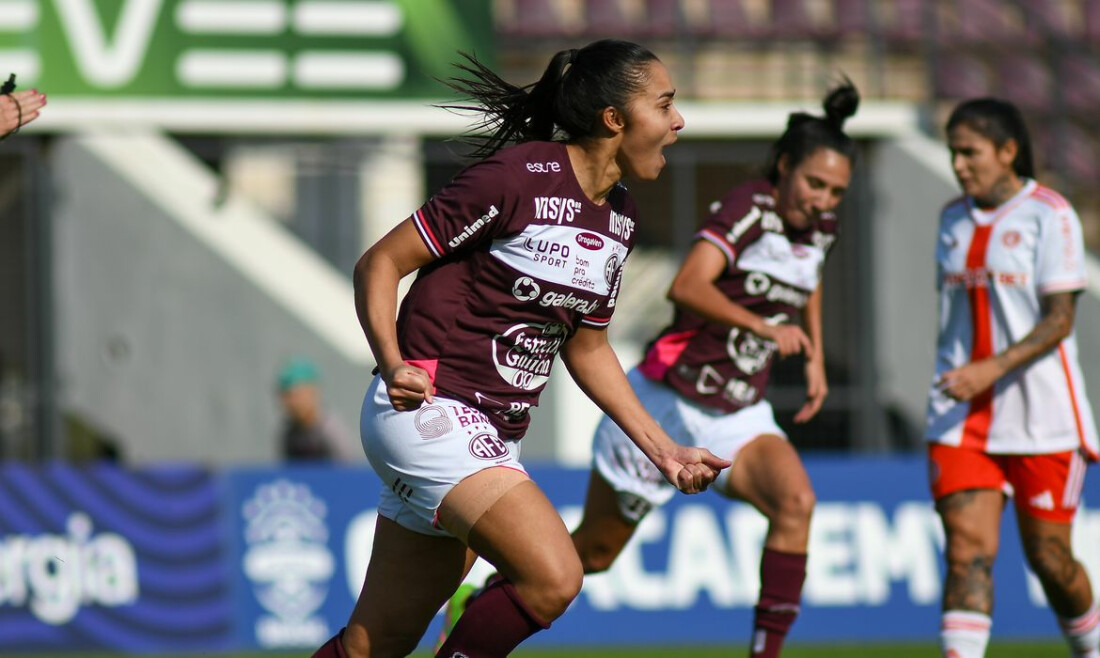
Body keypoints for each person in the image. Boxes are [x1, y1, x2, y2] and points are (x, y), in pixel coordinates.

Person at [311, 39, 730, 658]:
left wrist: (663, 451)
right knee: (554, 577)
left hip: (492, 430)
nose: (678, 121)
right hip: (433, 411)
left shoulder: (620, 217)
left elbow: (588, 348)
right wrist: (394, 362)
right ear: (614, 118)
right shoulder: (514, 178)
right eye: (664, 104)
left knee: (374, 645)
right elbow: (380, 263)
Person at [442, 80, 862, 656]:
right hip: (667, 399)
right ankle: (483, 598)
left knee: (796, 503)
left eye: (836, 192)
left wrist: (812, 352)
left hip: (738, 410)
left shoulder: (821, 229)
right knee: (594, 554)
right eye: (815, 184)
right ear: (785, 167)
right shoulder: (749, 209)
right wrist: (765, 328)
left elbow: (806, 280)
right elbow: (686, 286)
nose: (823, 201)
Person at [926, 98, 1099, 658]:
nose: (958, 164)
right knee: (966, 553)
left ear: (1007, 151)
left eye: (969, 152)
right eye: (952, 152)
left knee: (1050, 559)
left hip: (1041, 416)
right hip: (959, 418)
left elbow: (1060, 319)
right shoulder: (951, 218)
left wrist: (991, 369)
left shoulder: (1050, 214)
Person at [276, 357, 358, 461]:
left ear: (312, 392)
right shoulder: (289, 435)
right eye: (286, 397)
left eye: (295, 395)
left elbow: (347, 467)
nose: (290, 403)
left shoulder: (331, 432)